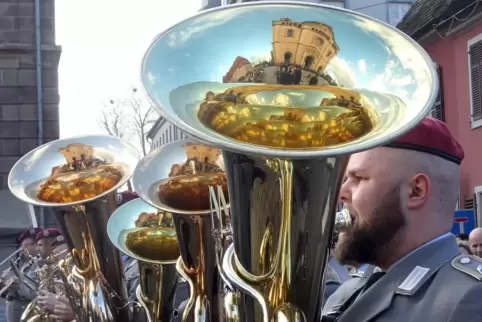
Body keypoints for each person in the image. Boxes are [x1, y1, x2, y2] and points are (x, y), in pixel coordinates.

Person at [321, 117, 482, 322]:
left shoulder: (470, 298)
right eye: (345, 180)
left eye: (359, 178)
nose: (341, 194)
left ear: (415, 191)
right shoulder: (350, 290)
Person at [2, 228, 41, 322]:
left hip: (28, 312)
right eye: (22, 246)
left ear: (36, 245)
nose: (23, 249)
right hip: (15, 311)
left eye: (26, 245)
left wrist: (17, 284)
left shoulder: (40, 264)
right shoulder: (25, 264)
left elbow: (33, 293)